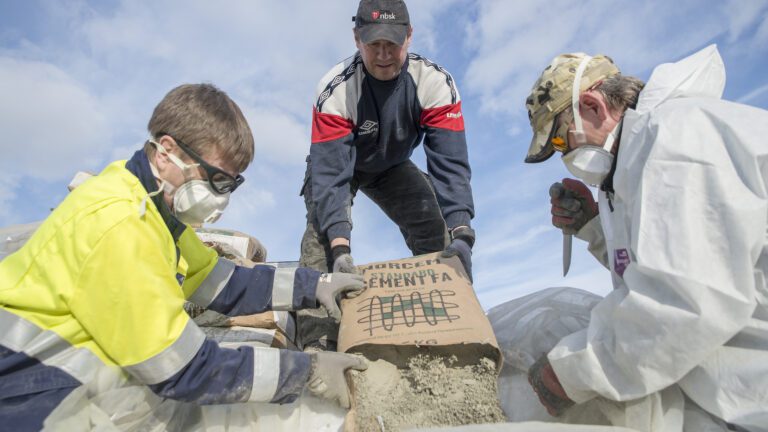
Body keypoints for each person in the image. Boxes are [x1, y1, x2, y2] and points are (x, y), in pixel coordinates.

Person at [0, 83, 367, 430]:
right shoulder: (120, 224)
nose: (222, 197)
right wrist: (307, 370)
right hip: (32, 396)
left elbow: (223, 282)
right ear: (165, 151)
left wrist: (316, 285)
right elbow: (184, 369)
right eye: (217, 180)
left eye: (232, 185)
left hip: (63, 378)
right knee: (190, 408)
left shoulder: (153, 208)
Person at [520, 45, 768, 431]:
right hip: (727, 385)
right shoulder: (631, 167)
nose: (563, 153)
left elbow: (683, 303)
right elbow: (652, 263)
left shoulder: (678, 141)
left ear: (592, 106)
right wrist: (592, 225)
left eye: (558, 141)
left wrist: (569, 374)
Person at [298, 0, 476, 351]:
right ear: (356, 38)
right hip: (340, 165)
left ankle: (447, 325)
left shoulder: (434, 83)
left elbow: (449, 164)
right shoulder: (335, 90)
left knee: (434, 224)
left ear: (409, 36)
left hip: (391, 166)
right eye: (373, 44)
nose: (382, 55)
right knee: (322, 240)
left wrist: (463, 233)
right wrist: (341, 247)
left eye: (392, 44)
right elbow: (332, 177)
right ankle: (318, 342)